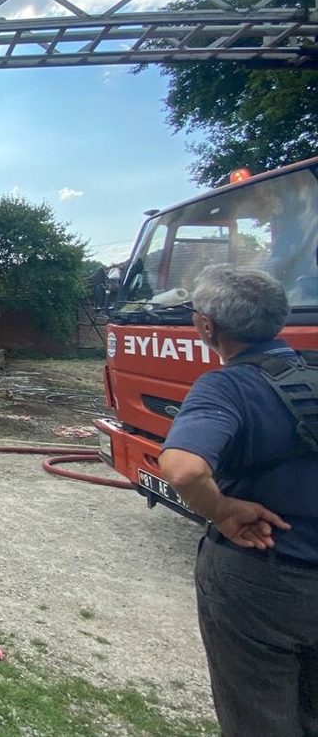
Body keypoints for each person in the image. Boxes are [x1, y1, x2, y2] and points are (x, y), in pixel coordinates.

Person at [159, 265, 317, 737]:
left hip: (267, 577)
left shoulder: (228, 386)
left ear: (206, 326)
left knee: (259, 717)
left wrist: (224, 511)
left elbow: (184, 469)